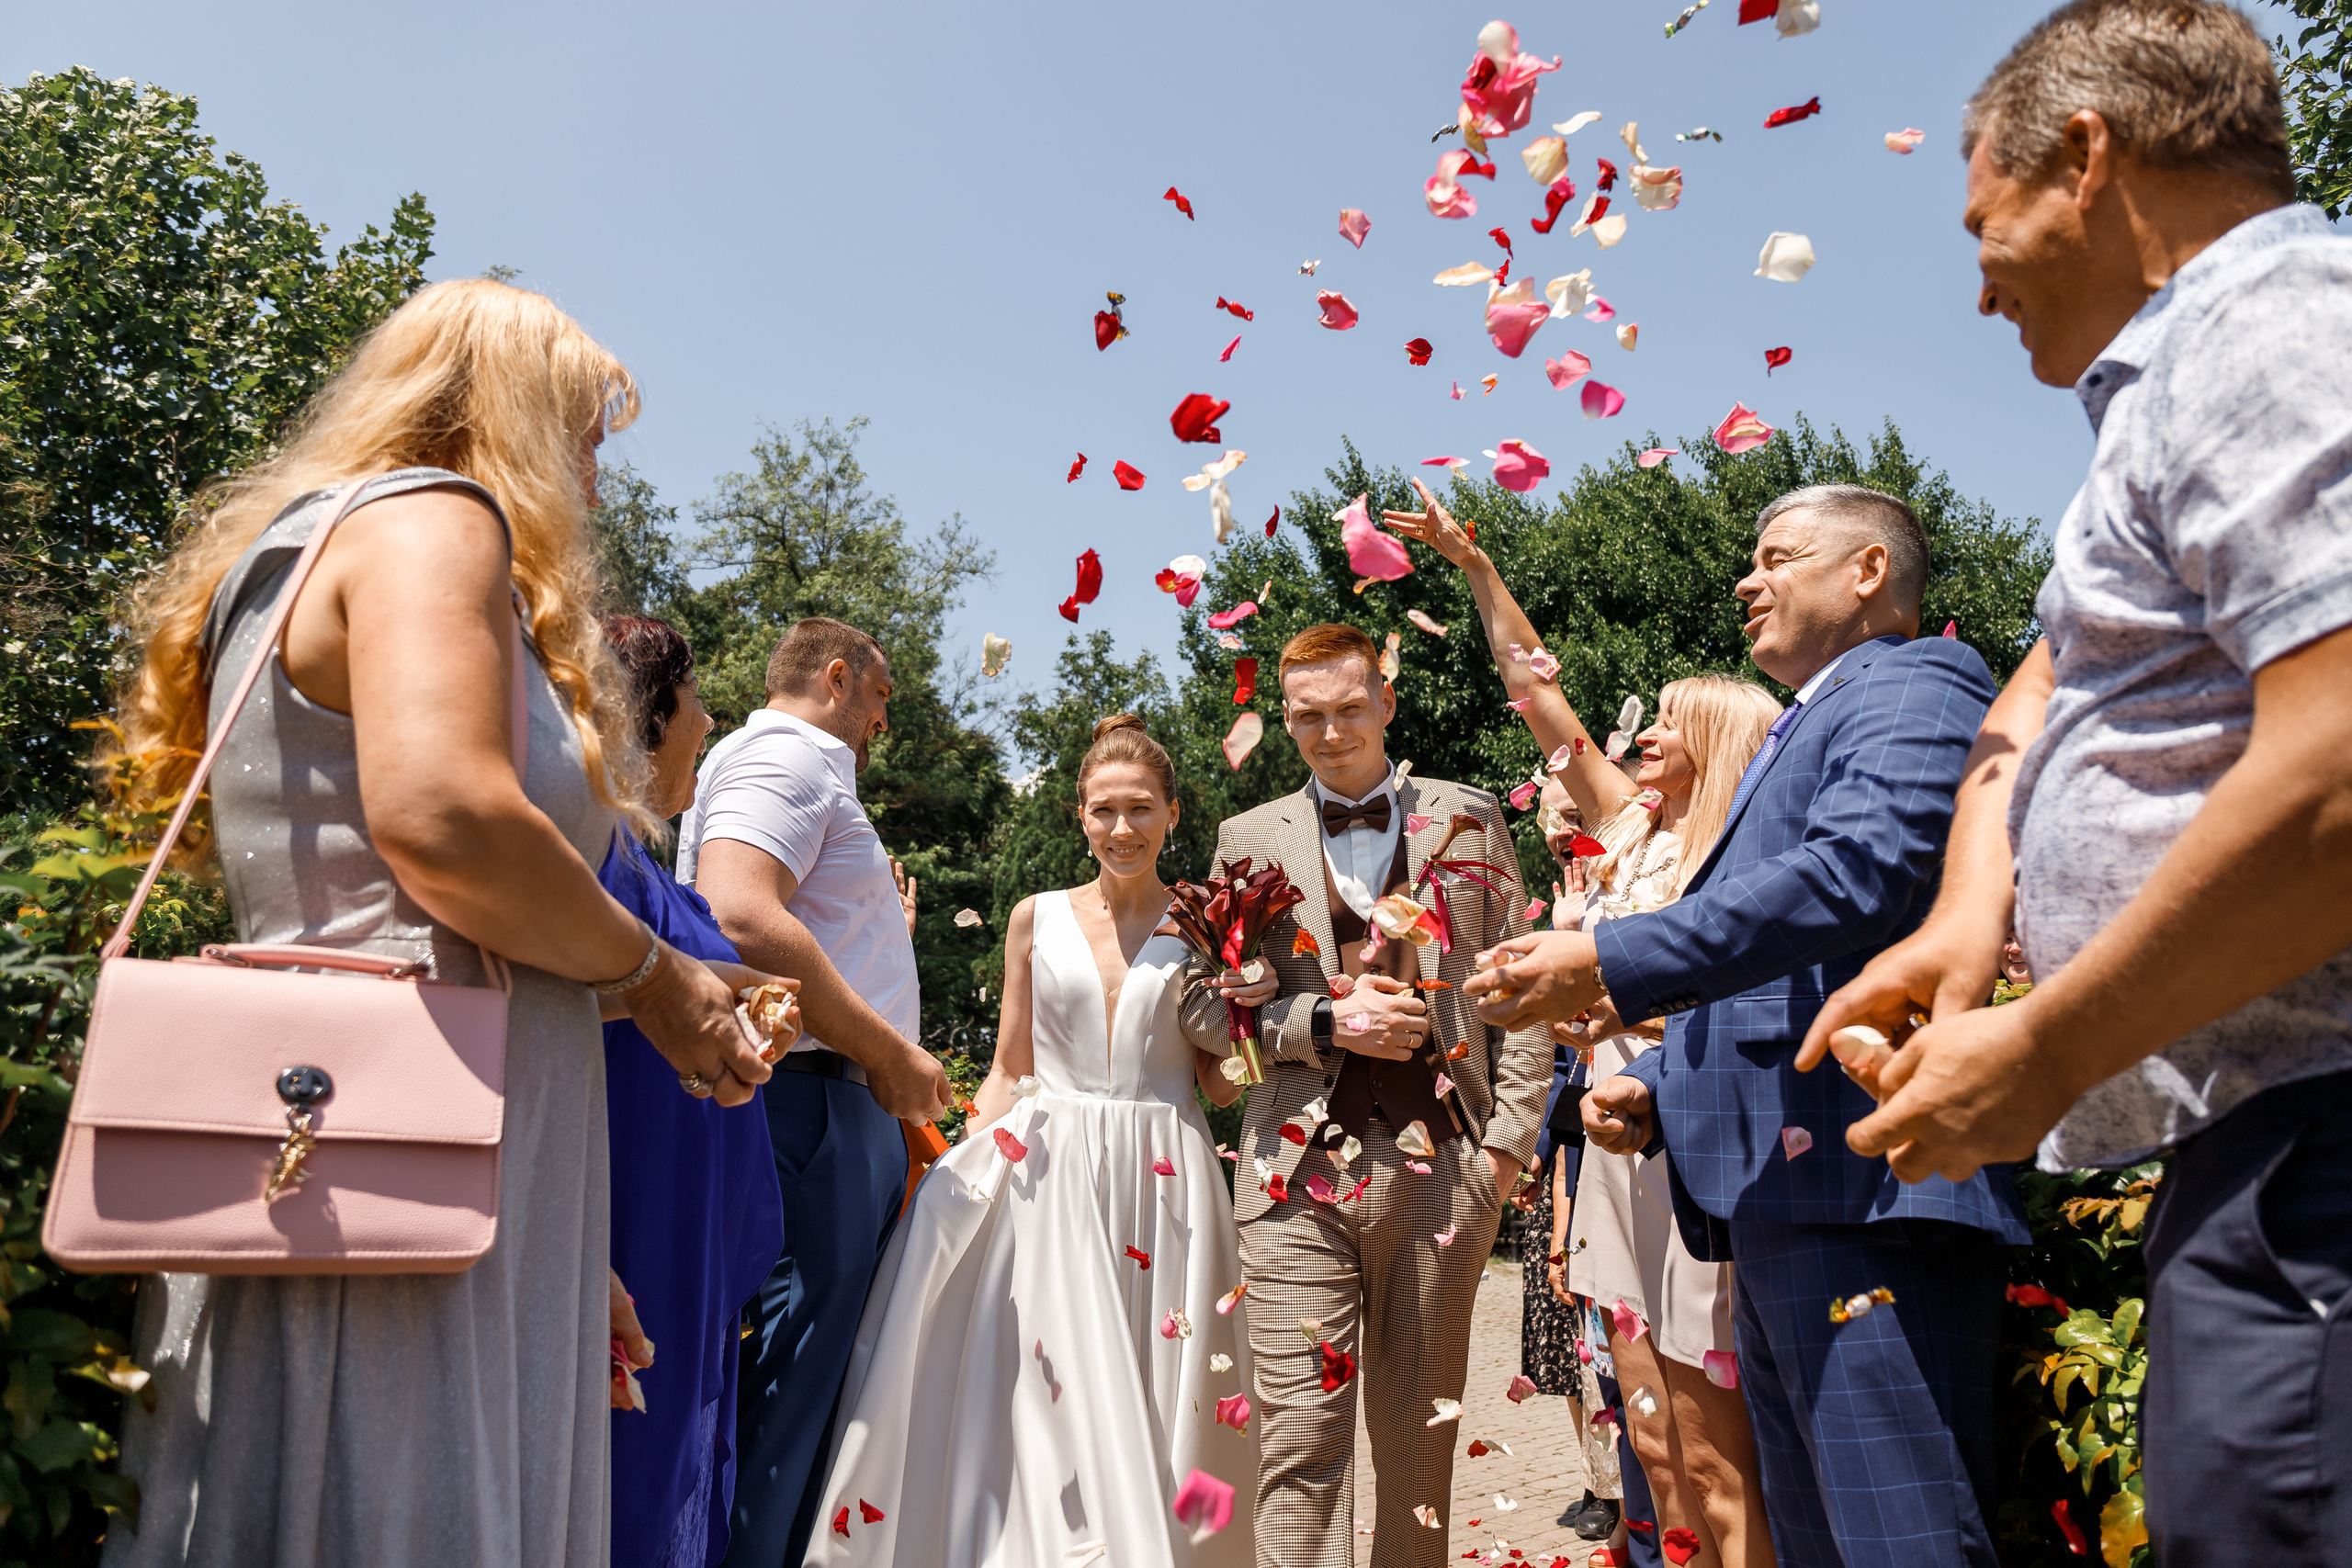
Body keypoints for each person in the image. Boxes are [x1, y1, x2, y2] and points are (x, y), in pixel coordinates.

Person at [101, 278, 779, 1567]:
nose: (595, 480)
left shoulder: (306, 547)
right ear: (507, 417)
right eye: (582, 436)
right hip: (405, 1152)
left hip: (370, 1150)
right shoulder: (432, 521)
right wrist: (657, 979)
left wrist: (559, 1245)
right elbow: (448, 821)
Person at [1804, 4, 2352, 1560]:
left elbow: (2338, 765)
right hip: (2259, 1134)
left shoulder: (2275, 326)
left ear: (2089, 156)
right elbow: (2046, 681)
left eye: (1986, 224)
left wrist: (2045, 1048)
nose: (1980, 285)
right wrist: (1966, 914)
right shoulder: (2171, 394)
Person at [1457, 481, 2030, 1567]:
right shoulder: (1811, 718)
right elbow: (1787, 970)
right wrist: (1659, 1084)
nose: (1744, 581)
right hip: (1783, 1198)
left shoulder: (1918, 678)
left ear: (1867, 570)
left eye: (1777, 558)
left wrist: (1610, 960)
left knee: (1900, 1541)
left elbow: (1855, 876)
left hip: (1865, 1193)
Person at [1387, 485, 1779, 1568]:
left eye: (1670, 721)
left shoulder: (1740, 861)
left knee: (1718, 1455)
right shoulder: (1625, 829)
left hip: (1690, 1143)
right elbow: (1536, 691)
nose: (1644, 731)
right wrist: (1475, 566)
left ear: (1721, 741)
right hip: (1605, 1158)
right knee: (1648, 1441)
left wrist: (1610, 1015)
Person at [803, 715, 1258, 1565]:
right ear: (1079, 815)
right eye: (1104, 809)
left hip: (1168, 1186)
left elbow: (1223, 1085)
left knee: (1163, 1384)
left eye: (1141, 808)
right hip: (1050, 1174)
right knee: (1054, 1390)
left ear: (1172, 813)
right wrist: (957, 1164)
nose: (1122, 827)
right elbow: (1011, 1067)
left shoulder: (1205, 924)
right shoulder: (1033, 917)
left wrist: (1243, 1012)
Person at [1176, 622, 1553, 1565]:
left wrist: (1504, 1151)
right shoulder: (1245, 838)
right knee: (1300, 1441)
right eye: (1309, 716)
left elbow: (1523, 991)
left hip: (1446, 1171)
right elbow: (1199, 1006)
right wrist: (1319, 1022)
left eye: (1350, 708)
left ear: (1387, 701)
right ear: (1285, 719)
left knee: (1418, 1451)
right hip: (1292, 1174)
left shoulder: (1468, 815)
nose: (1332, 731)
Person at [677, 616, 954, 1568]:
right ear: (837, 677)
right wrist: (889, 1053)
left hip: (824, 1099)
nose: (883, 721)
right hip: (813, 1104)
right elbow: (738, 913)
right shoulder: (789, 757)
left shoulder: (791, 769)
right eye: (879, 696)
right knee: (789, 1385)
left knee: (805, 1381)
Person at [598, 615, 791, 1568]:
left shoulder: (653, 871)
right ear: (646, 714)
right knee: (630, 1469)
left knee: (685, 1450)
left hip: (695, 1219)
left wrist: (752, 1007)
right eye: (695, 701)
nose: (708, 721)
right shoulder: (592, 861)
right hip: (640, 1211)